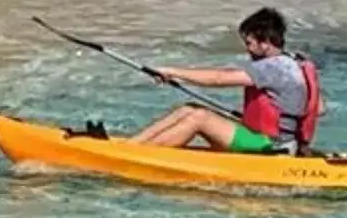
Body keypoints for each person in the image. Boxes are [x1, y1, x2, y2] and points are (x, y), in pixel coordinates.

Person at [128, 8, 321, 152]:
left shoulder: (271, 66)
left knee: (199, 118)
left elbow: (219, 79)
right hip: (280, 140)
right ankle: (131, 146)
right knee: (190, 108)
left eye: (250, 44)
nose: (248, 49)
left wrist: (173, 72)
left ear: (265, 43)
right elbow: (319, 108)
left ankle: (142, 155)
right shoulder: (296, 63)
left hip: (269, 145)